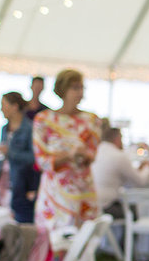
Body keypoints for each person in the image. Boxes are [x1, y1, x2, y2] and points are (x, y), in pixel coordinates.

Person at [32, 69, 101, 238]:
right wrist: (69, 155)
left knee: (82, 242)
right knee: (52, 241)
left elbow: (92, 155)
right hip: (55, 192)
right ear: (63, 90)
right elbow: (42, 161)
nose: (80, 92)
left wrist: (82, 155)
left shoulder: (91, 120)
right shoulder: (44, 120)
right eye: (75, 88)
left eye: (81, 88)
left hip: (82, 189)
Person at [92, 125, 149, 216]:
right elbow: (140, 181)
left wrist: (139, 169)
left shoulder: (95, 151)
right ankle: (134, 229)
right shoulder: (118, 155)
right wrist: (148, 167)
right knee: (134, 210)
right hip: (107, 206)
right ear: (117, 139)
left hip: (93, 203)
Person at [0, 92, 38, 224]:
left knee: (19, 219)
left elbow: (34, 158)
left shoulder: (29, 128)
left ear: (14, 106)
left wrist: (10, 152)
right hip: (2, 181)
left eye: (3, 105)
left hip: (20, 183)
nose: (1, 109)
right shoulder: (5, 128)